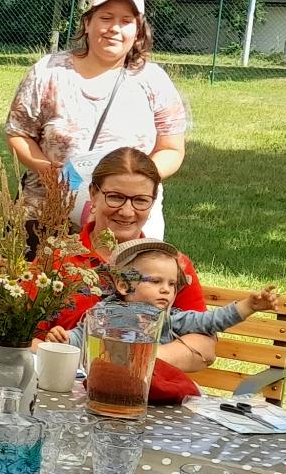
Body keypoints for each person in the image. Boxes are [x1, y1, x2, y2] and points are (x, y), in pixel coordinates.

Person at [5, 0, 189, 238]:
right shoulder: (48, 72)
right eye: (106, 17)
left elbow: (171, 148)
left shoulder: (154, 81)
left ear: (138, 30)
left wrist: (134, 183)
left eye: (126, 20)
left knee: (127, 278)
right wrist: (48, 171)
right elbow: (18, 133)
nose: (114, 28)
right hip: (47, 214)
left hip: (126, 220)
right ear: (87, 23)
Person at [46, 148, 218, 371]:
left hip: (143, 394)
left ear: (153, 202)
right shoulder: (57, 261)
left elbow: (204, 346)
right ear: (93, 194)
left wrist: (131, 357)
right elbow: (25, 339)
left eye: (140, 200)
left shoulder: (172, 266)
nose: (127, 212)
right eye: (115, 197)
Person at [50, 238, 278, 352]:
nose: (166, 289)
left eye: (172, 284)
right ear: (123, 285)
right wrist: (64, 339)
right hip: (105, 389)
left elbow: (211, 321)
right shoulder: (103, 314)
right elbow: (80, 338)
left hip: (154, 397)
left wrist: (249, 306)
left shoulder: (170, 319)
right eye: (156, 281)